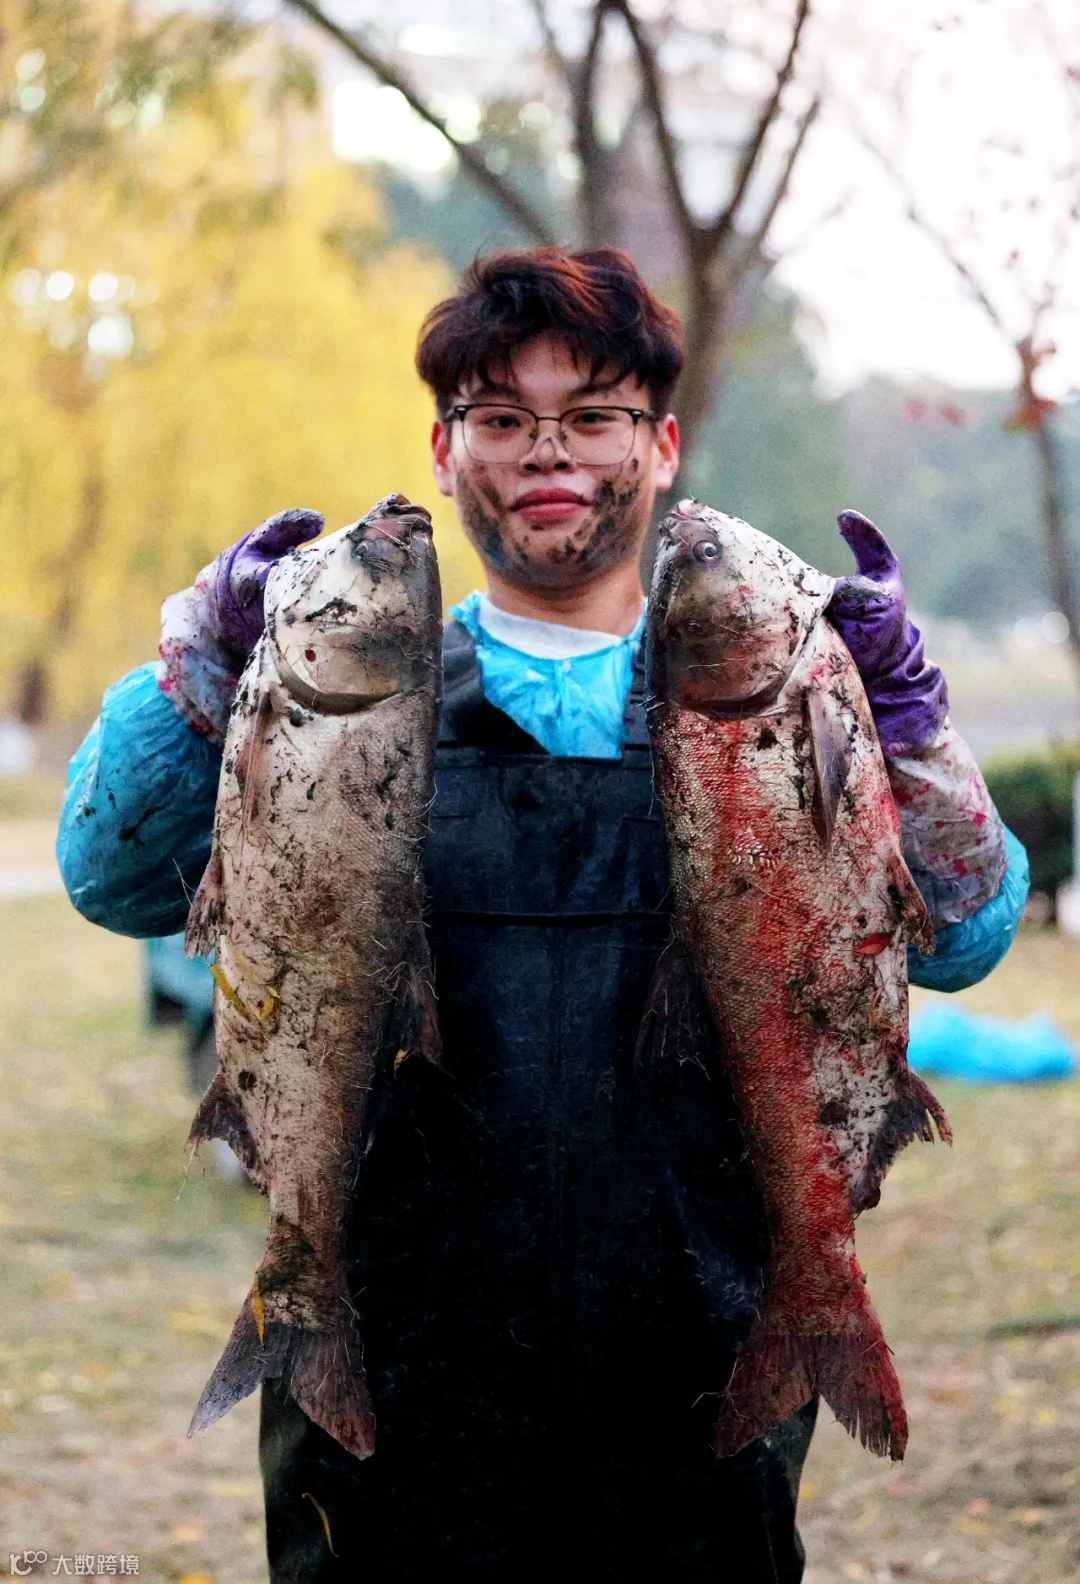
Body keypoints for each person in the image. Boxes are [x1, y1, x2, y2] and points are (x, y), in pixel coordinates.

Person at [58, 247, 1028, 1582]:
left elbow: (968, 940)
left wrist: (908, 730)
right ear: (445, 451)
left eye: (593, 415)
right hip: (384, 1389)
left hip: (702, 1381)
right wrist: (202, 661)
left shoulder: (779, 693)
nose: (548, 450)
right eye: (502, 417)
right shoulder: (333, 680)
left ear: (663, 444)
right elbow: (108, 878)